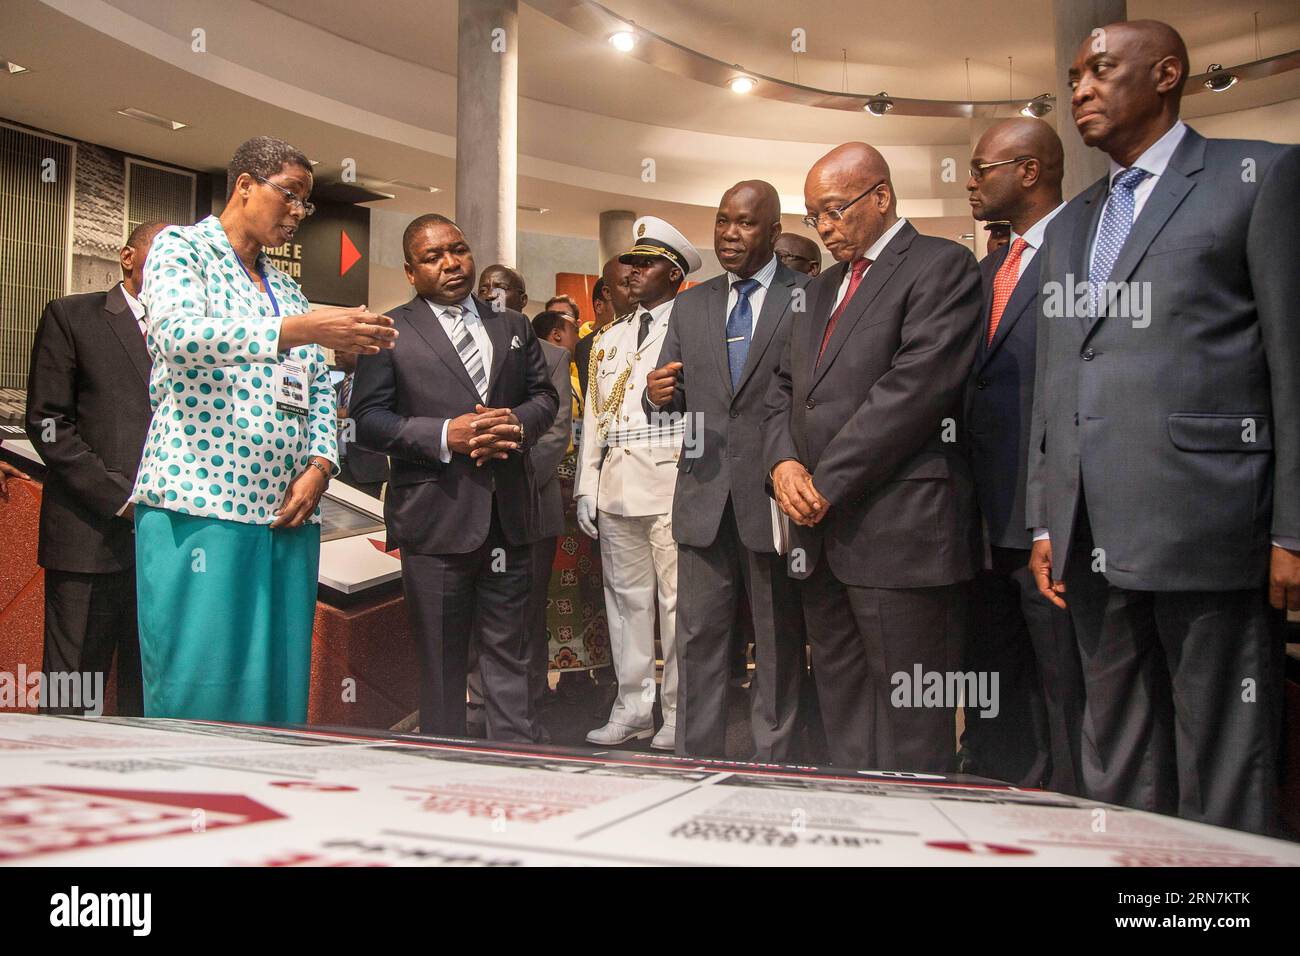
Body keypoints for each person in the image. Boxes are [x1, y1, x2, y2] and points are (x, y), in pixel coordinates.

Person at [1027, 19, 1299, 833]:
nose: (1079, 89)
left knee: (1221, 750)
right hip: (1091, 531)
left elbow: (1293, 360)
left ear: (1168, 74)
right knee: (1112, 746)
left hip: (1212, 522)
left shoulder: (1259, 178)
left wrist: (1294, 528)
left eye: (1101, 70)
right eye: (1074, 75)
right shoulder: (1074, 220)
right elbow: (1060, 373)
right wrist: (1047, 515)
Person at [130, 135, 397, 722]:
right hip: (202, 503)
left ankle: (264, 802)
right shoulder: (183, 249)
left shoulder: (284, 286)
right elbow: (175, 339)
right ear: (245, 185)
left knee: (275, 683)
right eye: (291, 196)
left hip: (285, 511)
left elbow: (320, 389)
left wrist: (322, 466)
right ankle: (194, 805)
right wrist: (298, 329)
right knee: (201, 680)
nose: (299, 214)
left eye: (307, 204)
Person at [763, 143, 982, 772]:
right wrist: (782, 466)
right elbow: (783, 391)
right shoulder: (819, 287)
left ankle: (917, 838)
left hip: (900, 529)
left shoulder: (941, 265)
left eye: (833, 211)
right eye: (814, 217)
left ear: (880, 197)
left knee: (911, 718)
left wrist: (824, 480)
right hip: (818, 530)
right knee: (844, 707)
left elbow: (914, 391)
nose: (824, 228)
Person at [352, 214, 558, 743]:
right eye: (433, 256)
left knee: (512, 659)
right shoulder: (390, 331)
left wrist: (516, 423)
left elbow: (545, 397)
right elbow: (368, 421)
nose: (451, 263)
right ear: (409, 271)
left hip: (509, 517)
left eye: (459, 250)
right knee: (442, 666)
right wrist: (446, 435)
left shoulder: (510, 324)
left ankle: (516, 764)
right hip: (435, 521)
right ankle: (443, 767)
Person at [644, 181, 811, 761]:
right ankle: (695, 762)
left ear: (772, 230)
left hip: (772, 498)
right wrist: (656, 393)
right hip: (703, 499)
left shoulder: (808, 296)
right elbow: (669, 391)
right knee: (696, 645)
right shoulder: (692, 302)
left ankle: (776, 765)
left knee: (778, 645)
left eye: (744, 224)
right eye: (721, 222)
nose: (729, 235)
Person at [962, 118, 1082, 793]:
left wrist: (1052, 518)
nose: (973, 182)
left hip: (1051, 518)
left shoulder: (1086, 251)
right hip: (981, 518)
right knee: (995, 683)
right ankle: (1003, 800)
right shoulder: (987, 271)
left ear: (1030, 171)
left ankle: (1071, 807)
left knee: (1064, 685)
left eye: (983, 169)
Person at [24, 220, 166, 717]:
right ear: (127, 257)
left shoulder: (191, 338)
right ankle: (58, 778)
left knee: (146, 690)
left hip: (165, 545)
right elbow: (47, 424)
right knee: (72, 689)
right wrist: (119, 499)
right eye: (161, 255)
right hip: (89, 538)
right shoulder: (73, 316)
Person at [576, 217, 701, 750]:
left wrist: (697, 476)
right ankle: (631, 708)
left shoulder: (694, 324)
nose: (631, 273)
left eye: (644, 264)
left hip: (673, 477)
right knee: (625, 603)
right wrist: (587, 483)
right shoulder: (610, 337)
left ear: (672, 273)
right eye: (630, 262)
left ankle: (677, 713)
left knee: (676, 605)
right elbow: (596, 421)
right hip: (618, 484)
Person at [333, 349, 389, 499]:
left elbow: (381, 411)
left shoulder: (374, 384)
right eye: (335, 351)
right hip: (337, 468)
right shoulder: (335, 388)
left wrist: (347, 412)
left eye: (342, 351)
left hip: (365, 470)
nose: (336, 354)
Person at [575, 258, 633, 398]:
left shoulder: (664, 331)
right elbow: (594, 408)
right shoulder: (589, 346)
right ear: (608, 293)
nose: (636, 289)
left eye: (638, 282)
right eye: (627, 284)